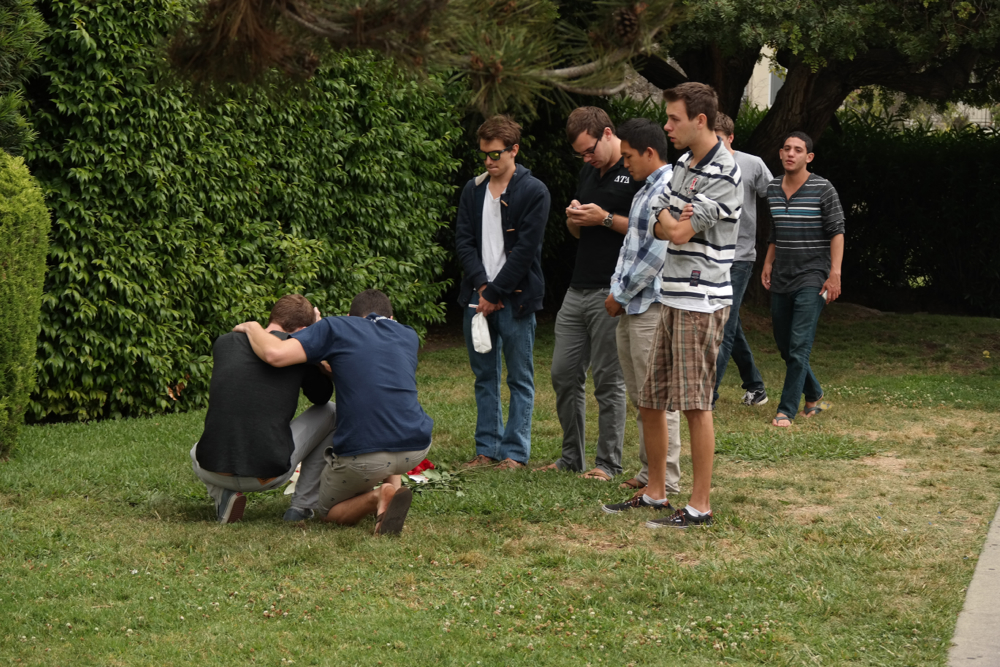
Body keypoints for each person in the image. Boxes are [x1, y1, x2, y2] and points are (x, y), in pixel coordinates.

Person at [629, 82, 743, 528]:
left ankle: (700, 506)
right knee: (653, 400)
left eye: (674, 118)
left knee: (696, 404)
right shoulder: (680, 164)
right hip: (670, 294)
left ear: (701, 120)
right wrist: (671, 218)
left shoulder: (726, 174)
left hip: (701, 301)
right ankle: (655, 493)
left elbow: (675, 231)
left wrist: (671, 219)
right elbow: (659, 221)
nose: (666, 125)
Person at [232, 289, 433, 536]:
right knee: (388, 413)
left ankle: (381, 495)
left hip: (365, 457)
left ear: (349, 316)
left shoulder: (337, 327)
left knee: (329, 511)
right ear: (392, 318)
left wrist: (253, 327)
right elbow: (362, 371)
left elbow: (275, 354)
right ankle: (392, 488)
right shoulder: (407, 334)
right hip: (416, 447)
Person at [540, 107, 638, 481]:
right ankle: (571, 457)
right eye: (580, 153)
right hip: (577, 287)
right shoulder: (588, 171)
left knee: (608, 381)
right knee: (563, 374)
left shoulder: (634, 172)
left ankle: (608, 463)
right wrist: (575, 217)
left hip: (612, 291)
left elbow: (649, 230)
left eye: (589, 149)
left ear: (608, 134)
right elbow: (580, 233)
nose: (586, 157)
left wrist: (605, 218)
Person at [454, 115, 550, 470]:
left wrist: (495, 291)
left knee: (519, 377)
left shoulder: (534, 190)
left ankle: (514, 454)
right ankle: (487, 449)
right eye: (484, 155)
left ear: (514, 150)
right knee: (484, 375)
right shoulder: (473, 188)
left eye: (496, 154)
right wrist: (482, 286)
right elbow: (463, 240)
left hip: (516, 297)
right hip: (477, 297)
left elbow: (526, 251)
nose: (489, 161)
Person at [596, 117, 683, 508]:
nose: (624, 163)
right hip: (632, 303)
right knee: (642, 397)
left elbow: (657, 255)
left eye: (629, 156)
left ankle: (668, 479)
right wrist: (617, 289)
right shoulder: (644, 188)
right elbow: (630, 245)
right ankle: (651, 474)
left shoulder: (668, 187)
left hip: (652, 304)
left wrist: (620, 293)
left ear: (650, 153)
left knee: (658, 397)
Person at [191, 294, 336, 524]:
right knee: (332, 412)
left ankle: (224, 495)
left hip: (211, 468)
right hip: (267, 475)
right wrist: (315, 341)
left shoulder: (224, 343)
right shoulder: (297, 353)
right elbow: (321, 397)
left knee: (196, 449)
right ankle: (301, 506)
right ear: (302, 329)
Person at [761, 131, 845, 428]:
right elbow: (775, 231)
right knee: (785, 345)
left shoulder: (823, 188)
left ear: (808, 157)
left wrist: (834, 273)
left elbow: (837, 232)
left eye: (798, 150)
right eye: (786, 148)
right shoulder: (772, 188)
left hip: (813, 277)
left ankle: (786, 410)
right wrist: (768, 262)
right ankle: (815, 392)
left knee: (799, 346)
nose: (790, 154)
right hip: (782, 274)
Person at [712, 112, 772, 408]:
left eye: (719, 139)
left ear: (731, 138)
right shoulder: (699, 165)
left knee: (723, 325)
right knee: (729, 323)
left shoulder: (752, 164)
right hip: (709, 255)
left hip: (739, 257)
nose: (715, 146)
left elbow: (776, 198)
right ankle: (755, 386)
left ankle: (707, 396)